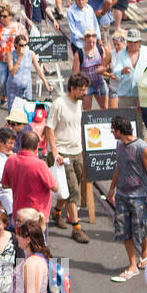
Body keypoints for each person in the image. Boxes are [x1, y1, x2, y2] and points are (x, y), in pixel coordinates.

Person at [108, 115, 147, 282]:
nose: (112, 132)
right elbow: (118, 166)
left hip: (139, 195)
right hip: (122, 194)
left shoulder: (142, 148)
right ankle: (132, 264)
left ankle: (145, 249)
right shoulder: (119, 144)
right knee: (123, 230)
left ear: (120, 131)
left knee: (140, 228)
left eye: (113, 129)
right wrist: (112, 188)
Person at [44, 74, 91, 243]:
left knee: (69, 188)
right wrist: (55, 153)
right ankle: (77, 228)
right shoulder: (59, 104)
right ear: (72, 88)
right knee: (73, 191)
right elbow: (49, 129)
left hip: (76, 152)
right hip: (62, 154)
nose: (85, 92)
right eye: (81, 89)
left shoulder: (78, 104)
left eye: (86, 89)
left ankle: (57, 213)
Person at [0, 131, 56, 220]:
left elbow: (5, 185)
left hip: (18, 213)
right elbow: (55, 187)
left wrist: (19, 183)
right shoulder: (40, 164)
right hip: (37, 215)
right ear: (37, 147)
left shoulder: (10, 160)